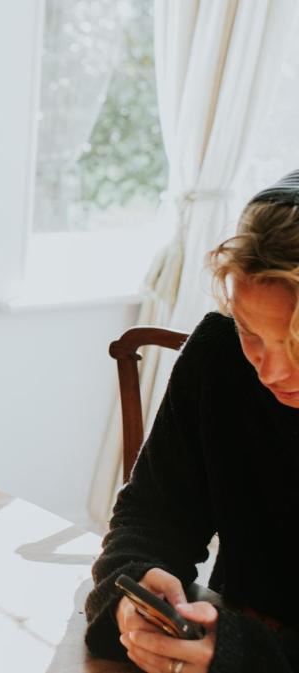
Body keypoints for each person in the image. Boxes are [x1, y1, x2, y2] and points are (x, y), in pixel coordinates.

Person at [85, 169, 299, 672]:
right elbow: (153, 515)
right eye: (251, 333)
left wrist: (245, 655)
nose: (271, 370)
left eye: (295, 344)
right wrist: (134, 591)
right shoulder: (219, 357)